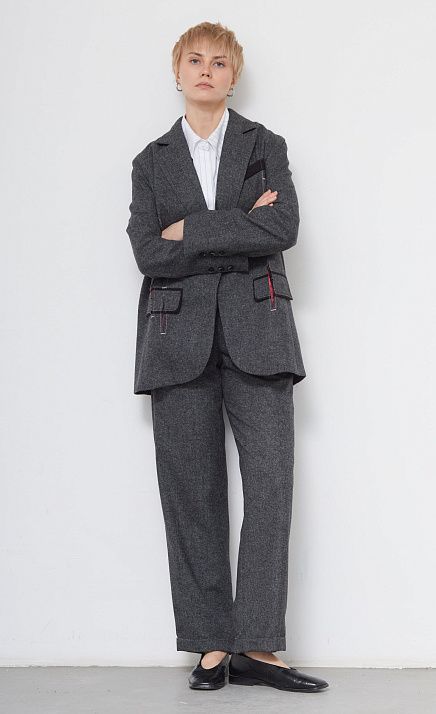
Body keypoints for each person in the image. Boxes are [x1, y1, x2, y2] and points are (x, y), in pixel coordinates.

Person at [126, 21, 329, 693]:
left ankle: (259, 647)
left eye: (219, 62)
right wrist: (240, 224)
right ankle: (213, 646)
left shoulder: (264, 145)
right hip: (176, 339)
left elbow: (282, 226)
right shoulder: (151, 160)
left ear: (233, 75)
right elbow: (147, 252)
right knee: (192, 493)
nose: (206, 70)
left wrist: (189, 228)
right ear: (177, 72)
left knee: (270, 487)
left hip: (259, 331)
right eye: (195, 60)